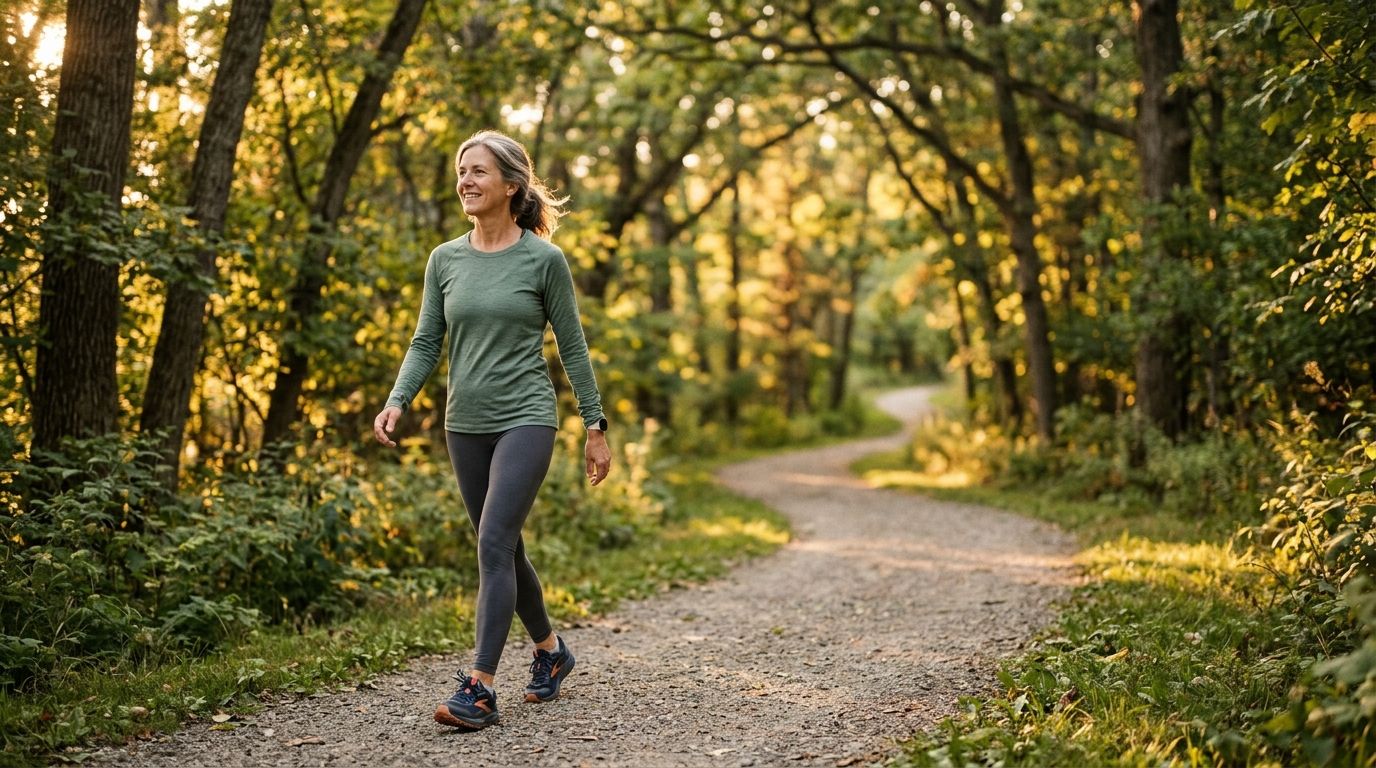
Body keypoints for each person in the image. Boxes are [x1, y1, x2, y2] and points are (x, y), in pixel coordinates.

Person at [372, 129, 611, 730]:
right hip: (465, 423)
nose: (466, 181)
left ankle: (479, 686)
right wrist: (398, 399)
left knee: (493, 543)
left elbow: (573, 346)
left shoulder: (543, 260)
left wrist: (594, 425)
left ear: (510, 185)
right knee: (504, 544)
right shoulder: (444, 259)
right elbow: (428, 338)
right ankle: (552, 653)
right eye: (461, 171)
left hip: (527, 416)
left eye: (478, 171)